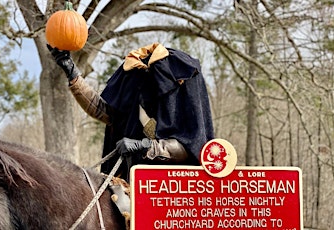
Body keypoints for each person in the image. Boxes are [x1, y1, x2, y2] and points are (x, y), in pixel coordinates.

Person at [48, 43, 214, 181]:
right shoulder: (136, 88)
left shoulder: (180, 96)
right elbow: (103, 111)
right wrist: (73, 74)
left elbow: (192, 146)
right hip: (131, 177)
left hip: (174, 183)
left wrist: (144, 146)